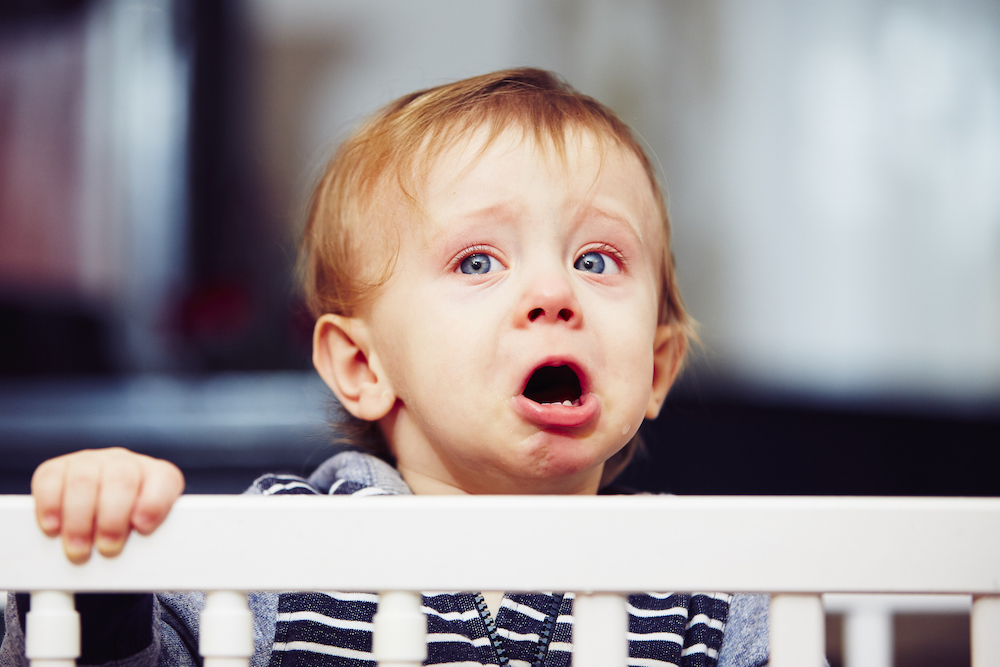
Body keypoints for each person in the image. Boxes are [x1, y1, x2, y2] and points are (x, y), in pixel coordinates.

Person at [1, 68, 768, 667]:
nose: (552, 293)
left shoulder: (705, 585)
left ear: (659, 367)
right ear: (364, 363)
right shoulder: (276, 560)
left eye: (596, 258)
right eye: (477, 261)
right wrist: (95, 563)